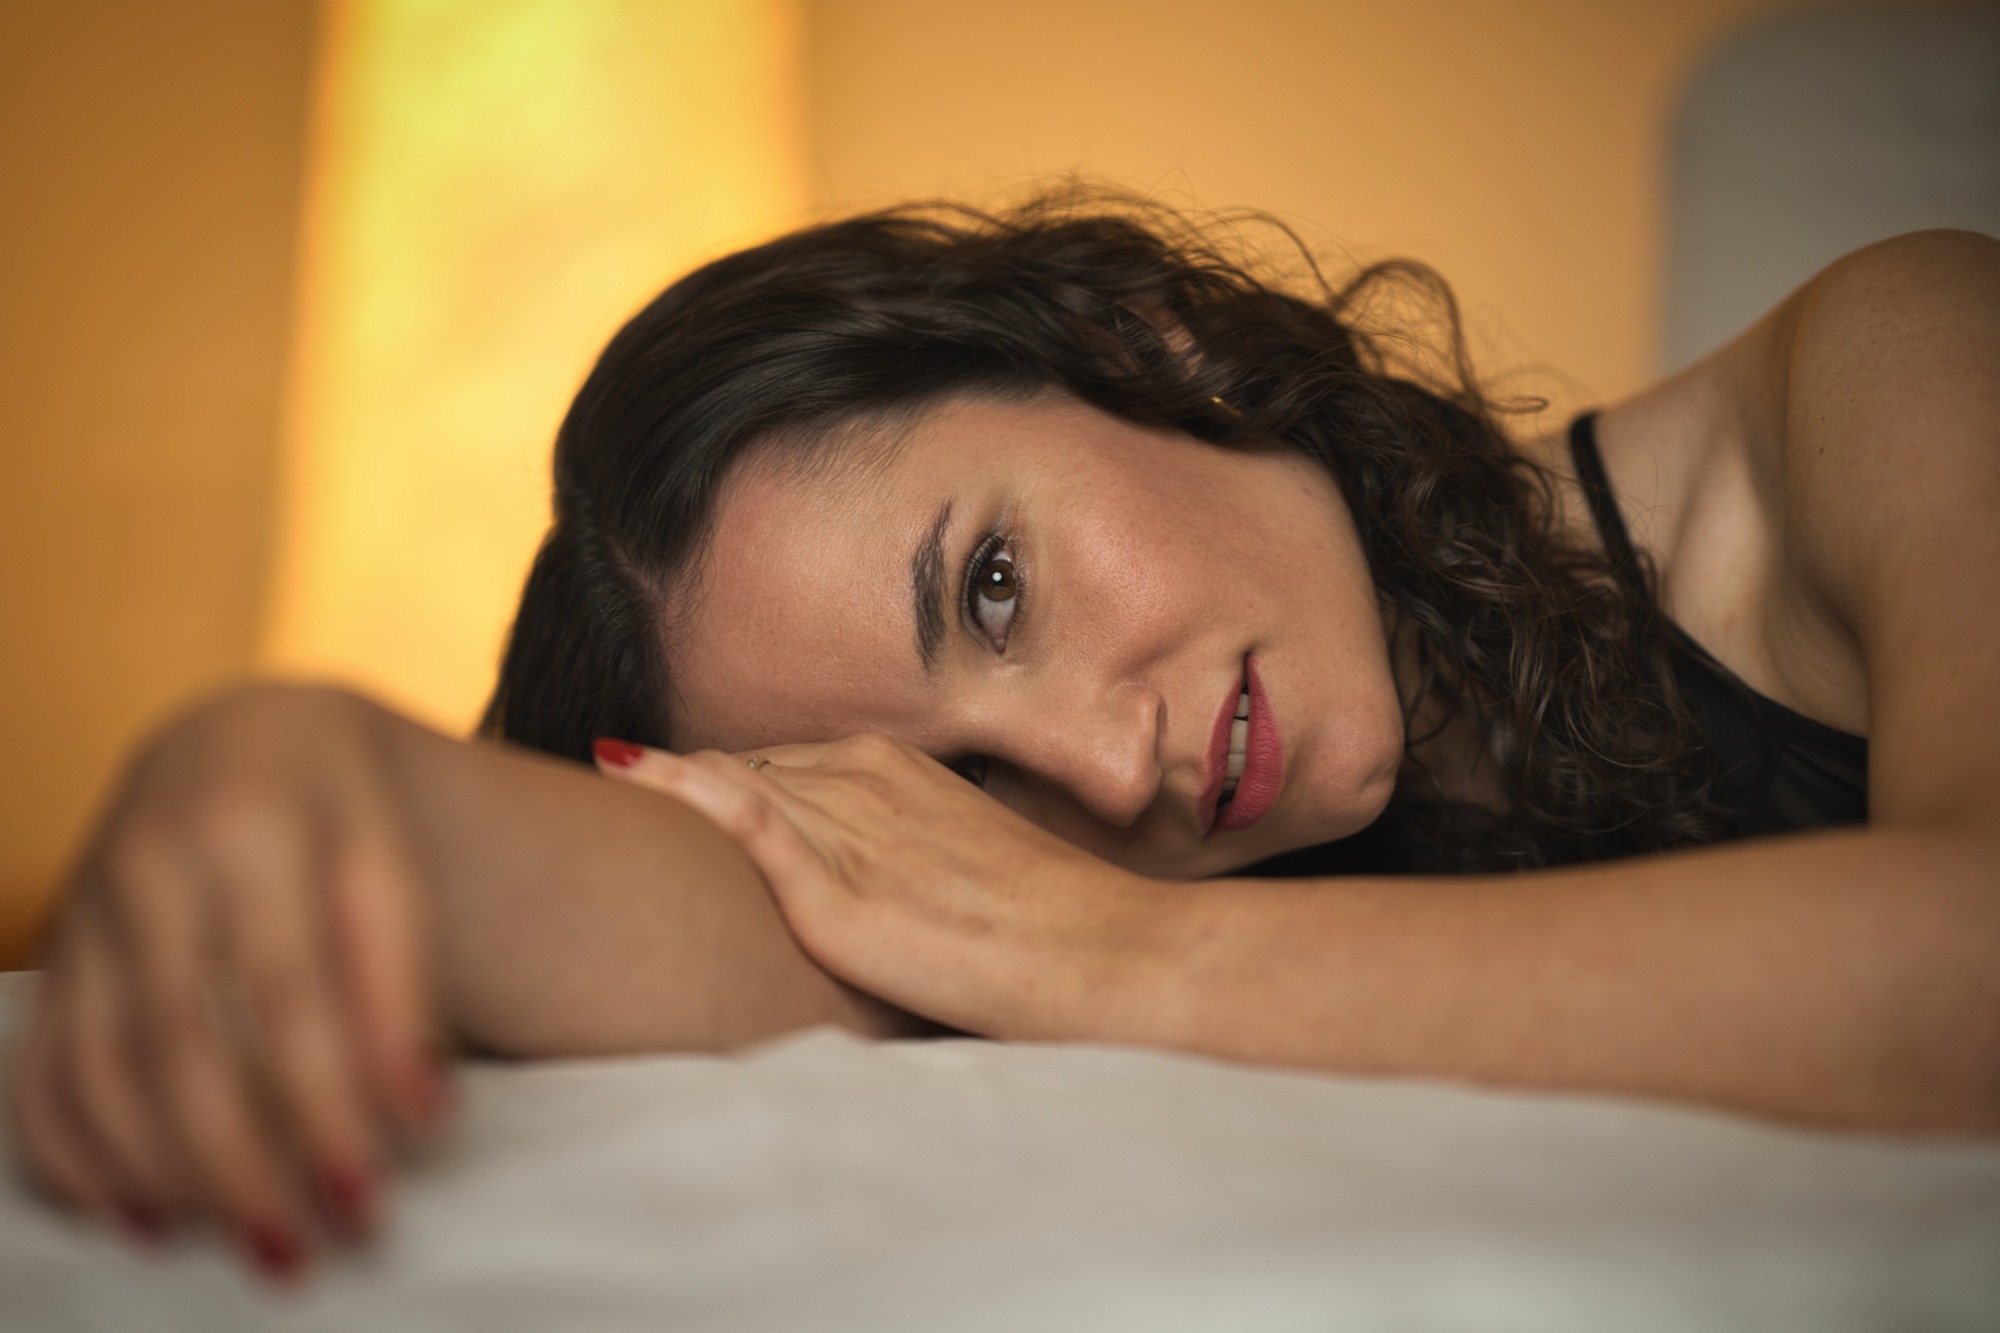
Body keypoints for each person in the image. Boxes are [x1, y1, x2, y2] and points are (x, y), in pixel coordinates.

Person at [8, 193, 1998, 1285]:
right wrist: (309, 767)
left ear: (1132, 337)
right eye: (954, 795)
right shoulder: (1081, 879)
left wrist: (1124, 951)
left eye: (988, 587)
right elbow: (692, 904)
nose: (1101, 777)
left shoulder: (1883, 361)